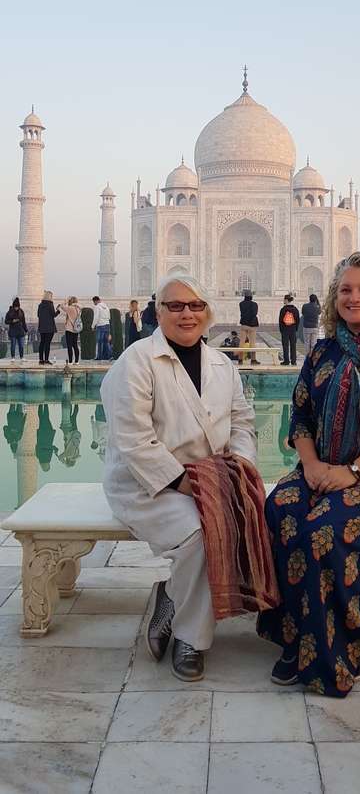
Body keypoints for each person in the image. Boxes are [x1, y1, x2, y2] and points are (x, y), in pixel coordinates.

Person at [258, 251, 360, 697]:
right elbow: (300, 416)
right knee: (281, 509)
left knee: (325, 528)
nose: (354, 298)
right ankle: (297, 635)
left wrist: (351, 472)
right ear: (335, 298)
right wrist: (311, 465)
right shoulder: (323, 351)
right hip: (322, 465)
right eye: (346, 290)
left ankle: (353, 638)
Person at [100, 273, 258, 682]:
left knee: (248, 520)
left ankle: (172, 596)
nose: (186, 314)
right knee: (199, 532)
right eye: (175, 306)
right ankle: (191, 637)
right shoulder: (135, 361)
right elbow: (133, 440)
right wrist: (194, 486)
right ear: (158, 312)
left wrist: (240, 470)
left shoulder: (222, 364)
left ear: (207, 313)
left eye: (195, 306)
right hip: (145, 484)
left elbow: (242, 423)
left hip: (212, 478)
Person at [37, 291, 60, 365]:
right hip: (49, 327)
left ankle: (41, 359)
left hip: (42, 327)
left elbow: (38, 315)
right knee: (47, 344)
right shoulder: (50, 304)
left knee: (42, 343)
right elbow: (53, 314)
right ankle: (46, 359)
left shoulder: (40, 305)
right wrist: (58, 311)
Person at [238, 290, 260, 364]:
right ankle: (253, 360)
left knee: (241, 342)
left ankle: (240, 359)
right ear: (251, 297)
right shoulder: (254, 304)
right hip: (252, 325)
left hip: (243, 324)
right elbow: (254, 313)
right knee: (252, 343)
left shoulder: (241, 304)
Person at [59, 297, 82, 364]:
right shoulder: (79, 309)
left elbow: (62, 306)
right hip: (76, 329)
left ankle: (70, 361)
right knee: (75, 345)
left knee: (69, 346)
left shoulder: (70, 308)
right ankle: (76, 361)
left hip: (69, 329)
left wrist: (66, 300)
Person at [279, 294, 300, 366]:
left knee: (285, 345)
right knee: (293, 345)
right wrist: (295, 328)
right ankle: (293, 361)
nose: (283, 300)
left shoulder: (283, 310)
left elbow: (281, 321)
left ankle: (286, 361)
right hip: (293, 329)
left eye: (284, 299)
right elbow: (298, 320)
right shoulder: (295, 309)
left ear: (286, 300)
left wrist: (281, 329)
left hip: (285, 330)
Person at [5, 298, 27, 363]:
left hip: (20, 331)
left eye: (17, 307)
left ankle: (22, 357)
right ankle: (12, 356)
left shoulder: (21, 312)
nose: (16, 308)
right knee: (13, 345)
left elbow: (23, 322)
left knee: (21, 345)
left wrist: (26, 330)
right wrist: (12, 321)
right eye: (15, 307)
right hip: (13, 331)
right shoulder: (9, 313)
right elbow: (6, 321)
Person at [92, 296, 112, 361]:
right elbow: (109, 317)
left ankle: (99, 356)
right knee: (106, 341)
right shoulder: (107, 307)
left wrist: (93, 326)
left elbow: (96, 318)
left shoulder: (97, 307)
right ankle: (110, 355)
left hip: (100, 325)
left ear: (95, 301)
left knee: (100, 341)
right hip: (107, 324)